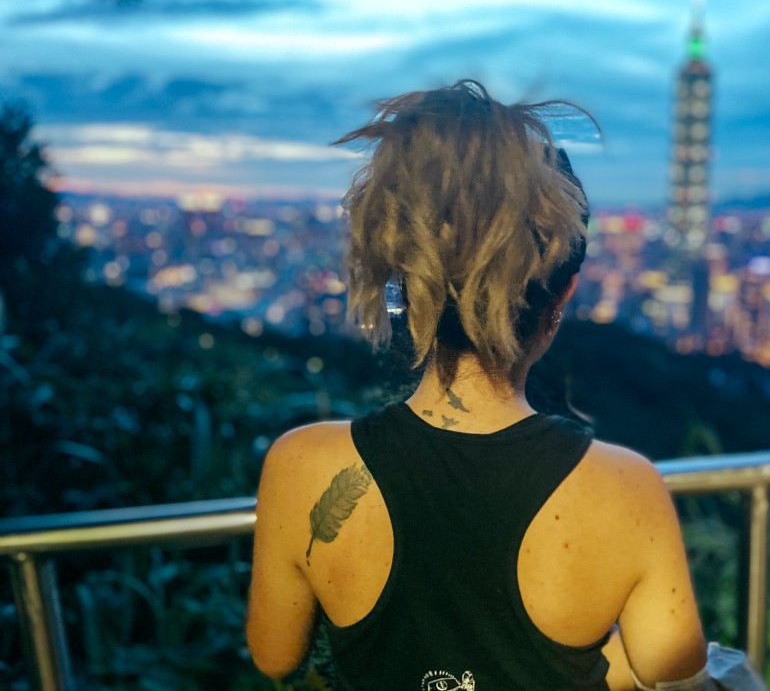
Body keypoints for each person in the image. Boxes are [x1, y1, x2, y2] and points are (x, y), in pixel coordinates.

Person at [246, 80, 709, 690]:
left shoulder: (301, 466)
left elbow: (276, 656)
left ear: (403, 281)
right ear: (561, 298)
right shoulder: (625, 490)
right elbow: (673, 670)